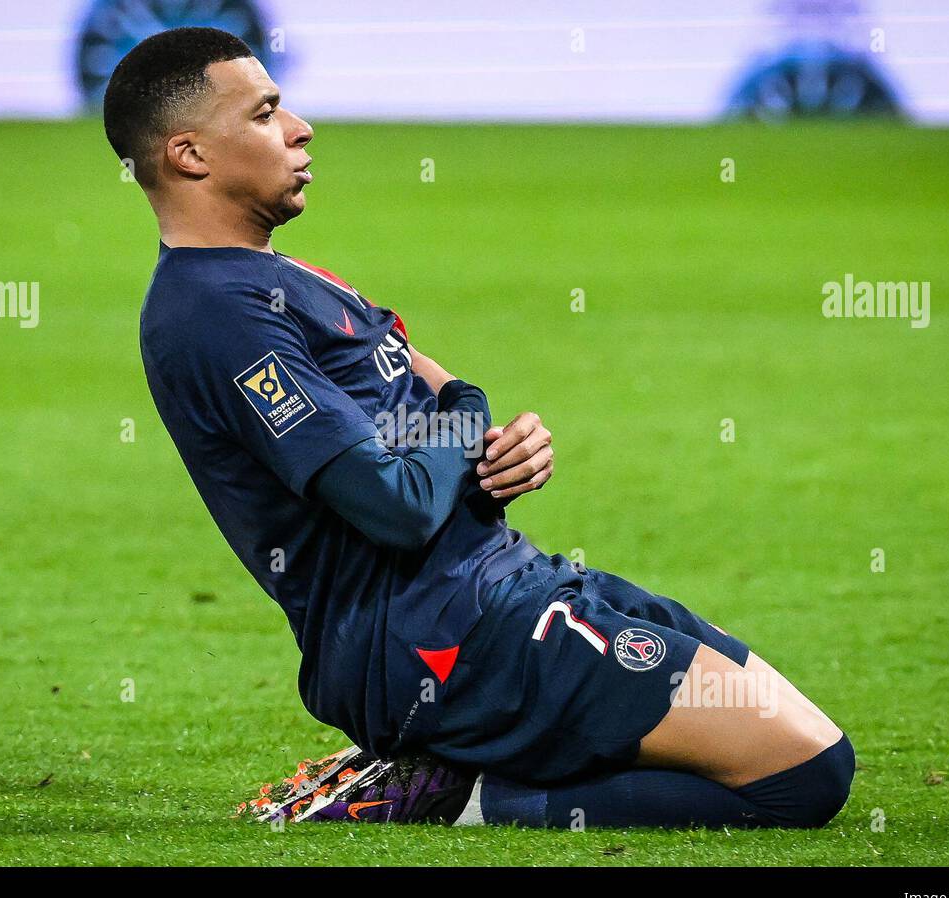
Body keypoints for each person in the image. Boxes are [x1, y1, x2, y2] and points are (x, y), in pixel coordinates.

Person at [104, 27, 853, 829]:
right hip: (451, 639)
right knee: (807, 775)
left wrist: (502, 450)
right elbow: (399, 502)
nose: (299, 128)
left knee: (788, 723)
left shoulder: (283, 275)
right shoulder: (214, 316)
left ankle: (460, 764)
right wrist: (470, 416)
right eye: (265, 113)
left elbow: (435, 402)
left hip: (507, 586)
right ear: (189, 155)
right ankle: (452, 794)